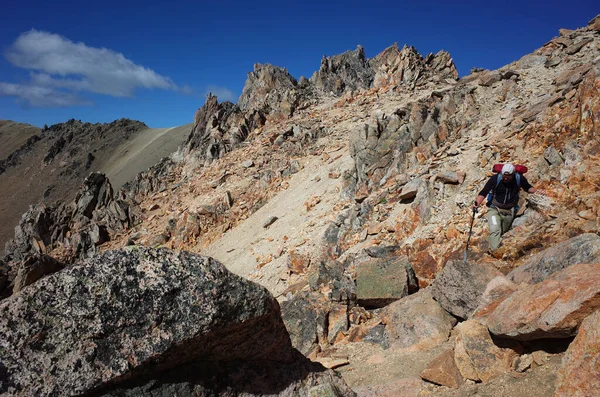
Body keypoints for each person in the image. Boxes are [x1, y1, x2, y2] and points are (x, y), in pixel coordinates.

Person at [472, 163, 541, 253]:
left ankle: (497, 249)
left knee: (503, 232)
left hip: (509, 211)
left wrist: (538, 191)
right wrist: (477, 203)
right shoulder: (495, 179)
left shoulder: (519, 179)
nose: (505, 178)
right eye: (504, 175)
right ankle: (495, 252)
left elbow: (527, 188)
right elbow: (484, 191)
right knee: (495, 229)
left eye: (508, 176)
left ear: (513, 174)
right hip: (494, 208)